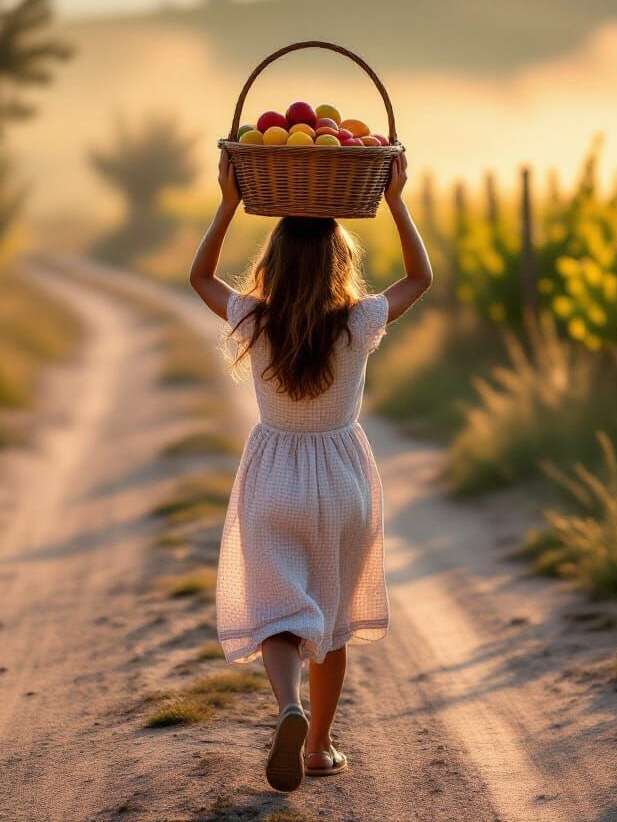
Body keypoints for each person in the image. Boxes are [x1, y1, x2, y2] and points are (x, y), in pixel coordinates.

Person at [189, 149, 432, 792]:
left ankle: (288, 708)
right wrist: (396, 200)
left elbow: (200, 277)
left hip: (274, 478)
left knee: (278, 611)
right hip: (342, 481)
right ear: (339, 263)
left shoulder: (253, 318)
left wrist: (228, 202)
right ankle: (320, 747)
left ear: (272, 264)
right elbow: (420, 277)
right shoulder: (359, 321)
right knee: (331, 616)